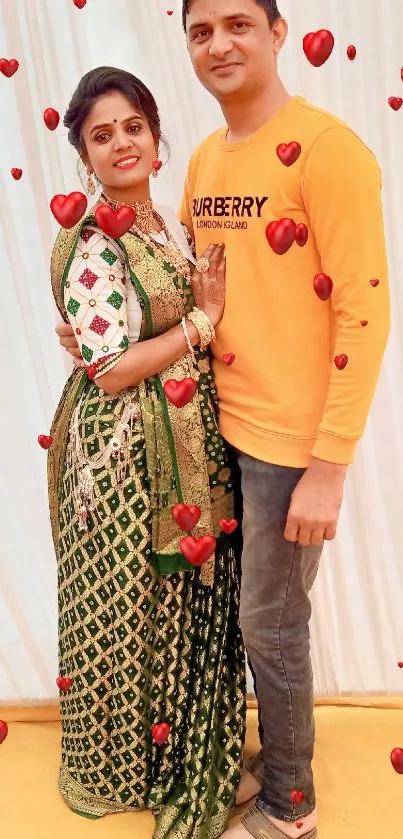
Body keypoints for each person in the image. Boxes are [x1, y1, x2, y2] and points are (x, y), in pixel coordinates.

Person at [56, 2, 391, 838]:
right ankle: (276, 757)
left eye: (239, 23)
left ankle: (289, 804)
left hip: (289, 448)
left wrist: (330, 462)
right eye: (201, 31)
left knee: (269, 625)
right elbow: (191, 289)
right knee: (241, 618)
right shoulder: (204, 161)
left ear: (279, 35)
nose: (219, 44)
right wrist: (97, 335)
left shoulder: (328, 152)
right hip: (213, 441)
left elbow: (365, 309)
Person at [48, 65, 249, 839]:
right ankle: (123, 769)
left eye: (132, 126)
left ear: (157, 139)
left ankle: (169, 758)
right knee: (127, 607)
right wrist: (202, 325)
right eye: (102, 135)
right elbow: (108, 369)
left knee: (171, 608)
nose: (121, 143)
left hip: (178, 444)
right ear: (86, 157)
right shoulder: (92, 237)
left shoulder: (164, 222)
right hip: (120, 456)